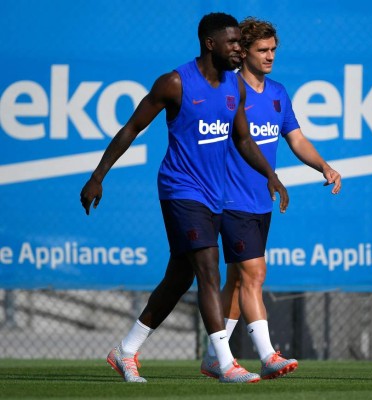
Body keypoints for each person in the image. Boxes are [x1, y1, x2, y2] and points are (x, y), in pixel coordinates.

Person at [79, 12, 289, 384]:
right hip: (180, 190)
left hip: (214, 195)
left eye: (242, 42)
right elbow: (132, 127)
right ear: (211, 44)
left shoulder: (233, 87)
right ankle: (223, 362)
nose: (240, 49)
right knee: (209, 270)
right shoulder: (175, 83)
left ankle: (125, 350)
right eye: (233, 42)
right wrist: (98, 176)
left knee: (178, 278)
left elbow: (242, 139)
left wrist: (271, 175)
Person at [199, 17, 342, 380]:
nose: (269, 56)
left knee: (237, 280)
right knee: (255, 274)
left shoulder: (278, 92)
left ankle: (214, 356)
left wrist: (323, 166)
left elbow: (295, 138)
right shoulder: (228, 91)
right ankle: (267, 355)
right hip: (230, 200)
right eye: (262, 50)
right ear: (242, 51)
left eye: (273, 50)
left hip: (260, 201)